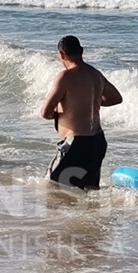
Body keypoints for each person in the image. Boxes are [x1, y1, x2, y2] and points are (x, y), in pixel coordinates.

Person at [40, 34, 121, 188]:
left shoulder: (65, 77)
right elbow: (116, 98)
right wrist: (91, 102)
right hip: (97, 142)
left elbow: (45, 112)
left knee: (51, 186)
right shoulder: (96, 74)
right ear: (81, 51)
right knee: (88, 191)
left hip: (76, 144)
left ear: (61, 54)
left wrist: (58, 112)